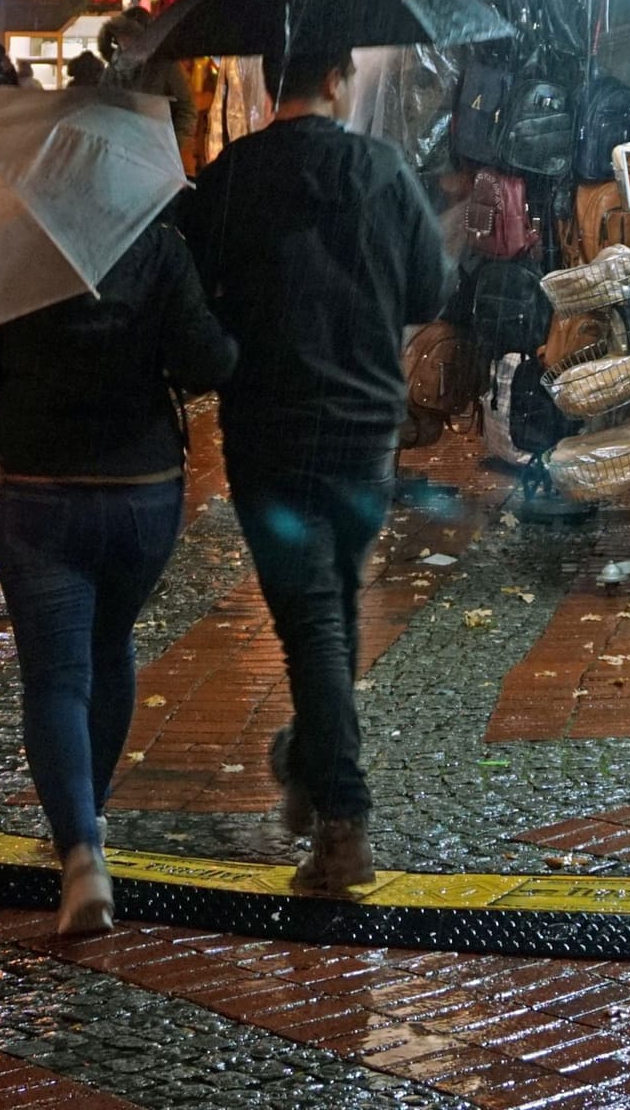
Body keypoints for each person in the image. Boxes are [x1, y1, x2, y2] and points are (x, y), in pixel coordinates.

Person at [178, 48, 452, 895]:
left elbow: (195, 303)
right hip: (367, 429)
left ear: (266, 84)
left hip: (270, 429)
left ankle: (342, 820)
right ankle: (308, 760)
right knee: (328, 604)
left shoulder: (228, 180)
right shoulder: (380, 167)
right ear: (338, 80)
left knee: (315, 621)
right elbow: (428, 293)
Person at [0, 217, 237, 935]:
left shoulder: (8, 244)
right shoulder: (160, 245)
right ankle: (88, 816)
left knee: (55, 674)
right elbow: (206, 359)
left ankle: (79, 854)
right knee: (109, 644)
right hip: (142, 487)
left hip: (40, 485)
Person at [99, 7, 199, 172]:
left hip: (158, 159)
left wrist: (171, 147)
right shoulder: (112, 69)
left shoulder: (165, 66)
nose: (124, 42)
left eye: (130, 36)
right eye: (121, 36)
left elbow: (186, 108)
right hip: (121, 158)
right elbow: (102, 109)